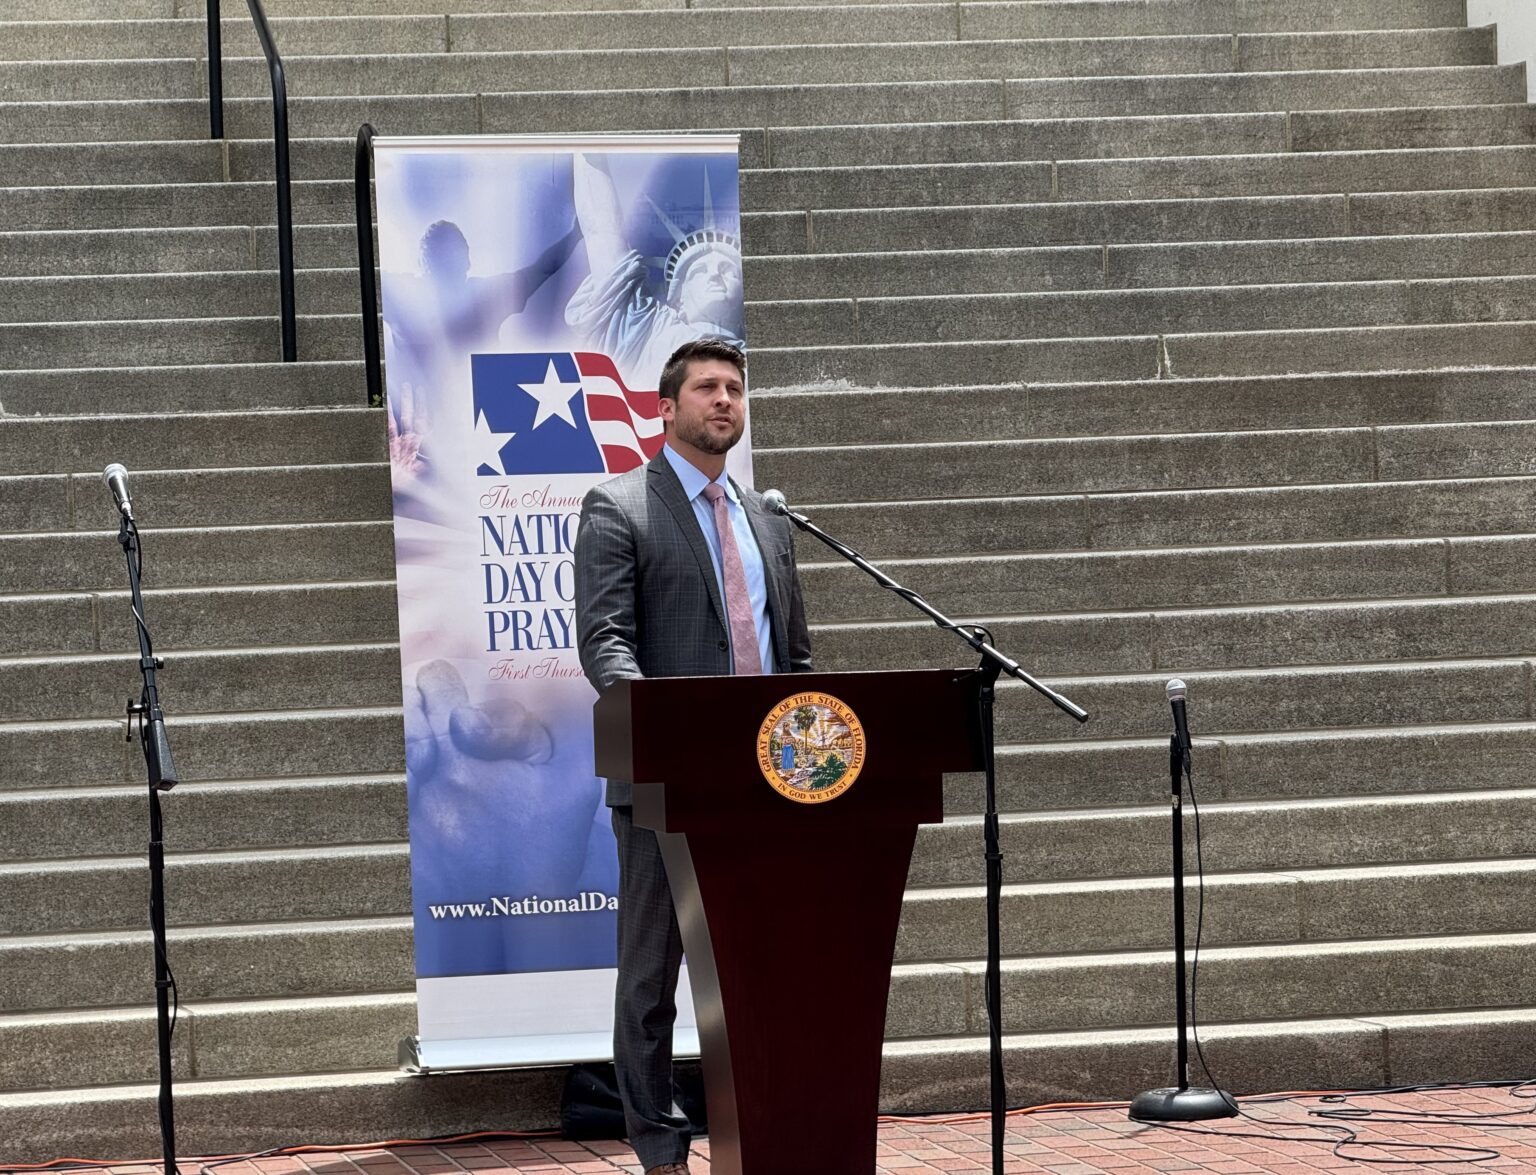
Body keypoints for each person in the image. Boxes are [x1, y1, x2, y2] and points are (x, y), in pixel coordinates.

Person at [573, 338, 812, 1175]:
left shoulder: (770, 515)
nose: (725, 400)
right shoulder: (620, 505)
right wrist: (665, 725)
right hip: (666, 784)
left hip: (767, 788)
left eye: (736, 388)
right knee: (650, 980)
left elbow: (798, 660)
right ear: (665, 408)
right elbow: (604, 641)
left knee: (756, 975)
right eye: (707, 387)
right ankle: (661, 1150)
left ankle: (758, 1129)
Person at [565, 153, 745, 389]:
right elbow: (601, 230)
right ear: (678, 299)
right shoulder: (649, 329)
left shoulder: (761, 358)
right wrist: (589, 151)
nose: (714, 275)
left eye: (728, 271)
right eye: (699, 271)